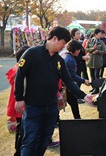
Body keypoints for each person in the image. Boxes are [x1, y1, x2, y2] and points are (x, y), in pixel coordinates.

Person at [14, 26, 95, 156]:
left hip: (51, 107)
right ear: (54, 39)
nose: (63, 47)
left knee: (45, 139)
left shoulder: (59, 60)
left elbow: (68, 81)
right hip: (33, 106)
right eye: (63, 43)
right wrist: (19, 98)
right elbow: (20, 75)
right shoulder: (32, 53)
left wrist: (84, 96)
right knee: (30, 140)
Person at [6, 46, 29, 156]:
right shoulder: (20, 72)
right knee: (22, 131)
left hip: (17, 105)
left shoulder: (17, 69)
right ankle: (18, 152)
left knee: (21, 130)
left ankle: (19, 150)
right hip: (19, 106)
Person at [62, 40, 91, 119]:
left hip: (61, 83)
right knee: (69, 102)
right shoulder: (71, 60)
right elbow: (72, 77)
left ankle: (77, 119)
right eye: (78, 50)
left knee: (73, 101)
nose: (79, 51)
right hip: (63, 84)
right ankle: (77, 119)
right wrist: (83, 80)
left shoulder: (64, 54)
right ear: (74, 50)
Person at [70, 28, 89, 104]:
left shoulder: (79, 42)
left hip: (81, 64)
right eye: (77, 33)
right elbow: (73, 56)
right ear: (73, 35)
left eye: (79, 33)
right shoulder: (72, 44)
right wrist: (82, 57)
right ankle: (77, 96)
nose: (79, 35)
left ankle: (77, 96)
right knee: (77, 80)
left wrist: (85, 56)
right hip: (76, 64)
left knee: (79, 81)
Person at [85, 28, 106, 94]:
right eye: (99, 34)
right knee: (92, 76)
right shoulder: (90, 41)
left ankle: (97, 89)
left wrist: (98, 51)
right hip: (90, 61)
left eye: (100, 34)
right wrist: (92, 49)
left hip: (98, 61)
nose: (100, 35)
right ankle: (93, 87)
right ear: (95, 34)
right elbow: (86, 49)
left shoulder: (101, 42)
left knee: (96, 76)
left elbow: (103, 51)